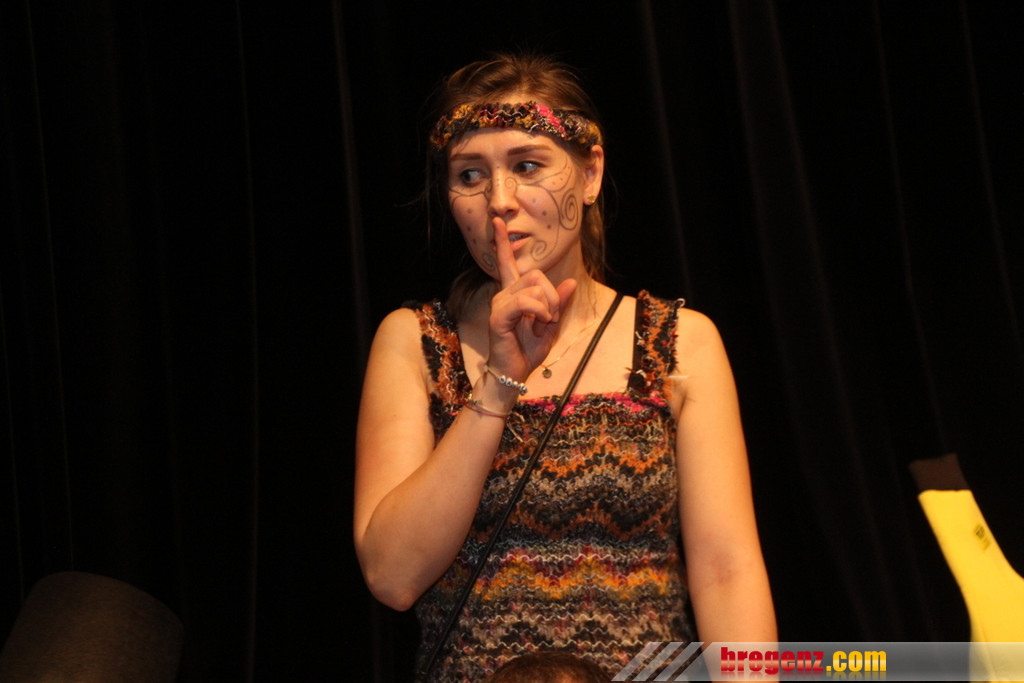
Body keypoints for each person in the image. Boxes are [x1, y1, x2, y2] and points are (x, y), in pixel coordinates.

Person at [354, 52, 776, 681]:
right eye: (470, 175)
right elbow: (393, 576)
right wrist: (497, 385)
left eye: (527, 166)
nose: (499, 201)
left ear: (590, 173)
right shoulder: (416, 341)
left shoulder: (677, 342)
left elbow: (727, 570)